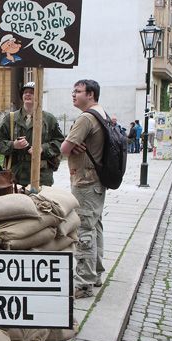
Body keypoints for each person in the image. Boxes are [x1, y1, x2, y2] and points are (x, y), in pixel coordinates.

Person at [60, 79, 107, 299]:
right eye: (73, 90)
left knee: (84, 229)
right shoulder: (102, 114)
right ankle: (96, 273)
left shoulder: (86, 118)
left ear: (91, 95)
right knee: (95, 226)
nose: (73, 94)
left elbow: (65, 148)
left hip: (85, 181)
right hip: (97, 180)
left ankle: (84, 283)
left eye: (77, 91)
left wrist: (69, 143)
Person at [0, 81, 65, 188]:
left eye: (31, 92)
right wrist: (13, 145)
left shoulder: (49, 119)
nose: (27, 94)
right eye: (25, 92)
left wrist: (42, 148)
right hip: (16, 175)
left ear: (39, 96)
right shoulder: (11, 118)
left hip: (41, 175)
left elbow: (60, 142)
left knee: (40, 203)